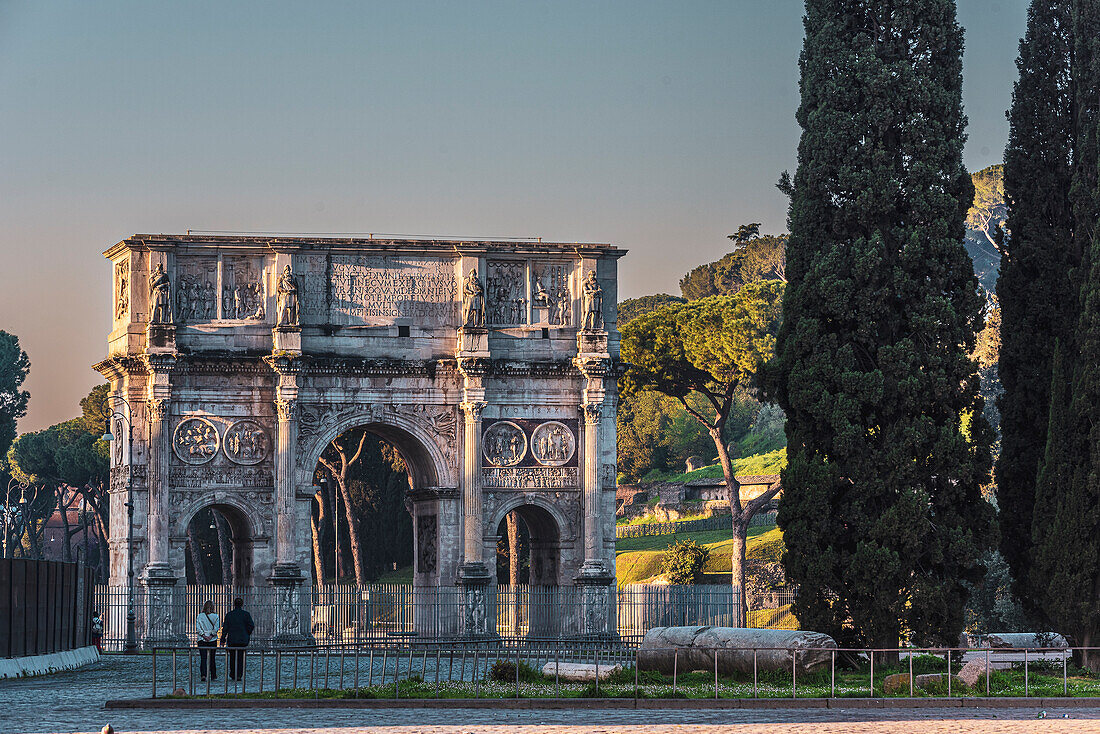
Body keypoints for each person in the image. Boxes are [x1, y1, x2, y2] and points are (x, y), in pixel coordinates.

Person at [220, 597, 255, 681]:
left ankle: (233, 673)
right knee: (240, 657)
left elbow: (225, 628)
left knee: (232, 657)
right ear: (242, 604)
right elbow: (251, 625)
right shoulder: (246, 614)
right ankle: (239, 674)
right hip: (243, 639)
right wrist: (247, 633)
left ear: (234, 604)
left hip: (232, 639)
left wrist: (223, 638)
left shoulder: (229, 614)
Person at [195, 600, 220, 681]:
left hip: (202, 639)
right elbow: (216, 628)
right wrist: (211, 635)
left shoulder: (200, 616)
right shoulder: (215, 616)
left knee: (203, 658)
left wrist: (203, 635)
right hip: (212, 639)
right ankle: (213, 675)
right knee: (212, 658)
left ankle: (203, 674)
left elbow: (198, 628)